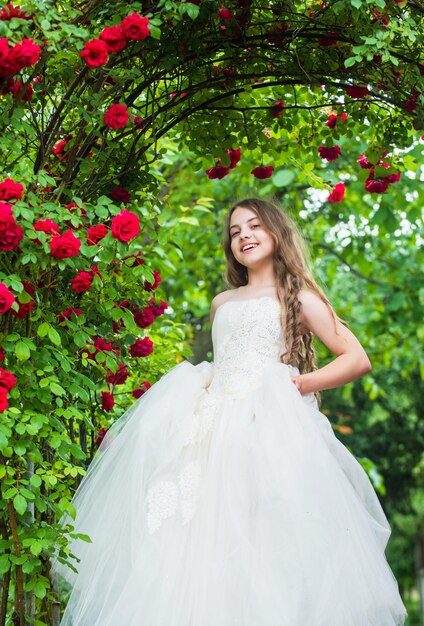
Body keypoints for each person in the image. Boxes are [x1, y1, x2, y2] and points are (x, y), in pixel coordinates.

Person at [51, 197, 407, 625]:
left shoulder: (297, 295)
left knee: (261, 540)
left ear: (276, 232)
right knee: (191, 542)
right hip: (208, 430)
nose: (244, 236)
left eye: (254, 226)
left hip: (265, 432)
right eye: (236, 232)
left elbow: (355, 358)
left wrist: (300, 383)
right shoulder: (223, 301)